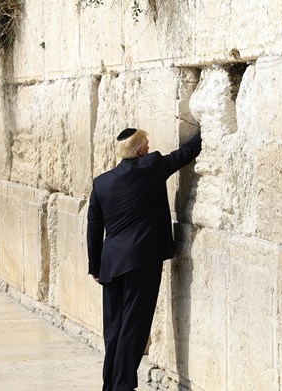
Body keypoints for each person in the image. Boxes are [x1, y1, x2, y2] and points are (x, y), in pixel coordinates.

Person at [87, 127, 202, 391]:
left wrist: (95, 266)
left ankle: (111, 385)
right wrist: (205, 128)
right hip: (142, 263)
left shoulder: (101, 182)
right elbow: (185, 154)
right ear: (139, 150)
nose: (149, 148)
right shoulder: (151, 166)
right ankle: (123, 386)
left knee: (114, 329)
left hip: (111, 265)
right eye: (146, 144)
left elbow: (93, 226)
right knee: (134, 327)